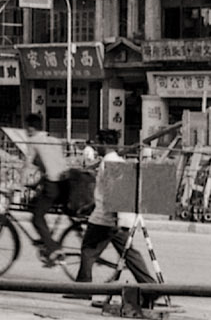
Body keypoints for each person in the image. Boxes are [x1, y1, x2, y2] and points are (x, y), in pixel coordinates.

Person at [74, 129, 160, 306]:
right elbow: (105, 192)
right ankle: (150, 288)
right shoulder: (115, 161)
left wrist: (119, 220)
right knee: (127, 253)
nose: (95, 147)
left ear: (105, 144)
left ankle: (83, 290)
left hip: (107, 219)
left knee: (90, 250)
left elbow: (116, 193)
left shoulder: (110, 163)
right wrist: (90, 207)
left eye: (97, 143)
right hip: (109, 216)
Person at [23, 113, 69, 265]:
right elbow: (50, 164)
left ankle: (53, 248)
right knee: (34, 204)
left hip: (52, 185)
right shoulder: (53, 139)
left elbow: (28, 165)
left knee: (36, 217)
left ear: (30, 128)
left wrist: (17, 185)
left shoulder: (33, 141)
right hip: (64, 183)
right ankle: (46, 239)